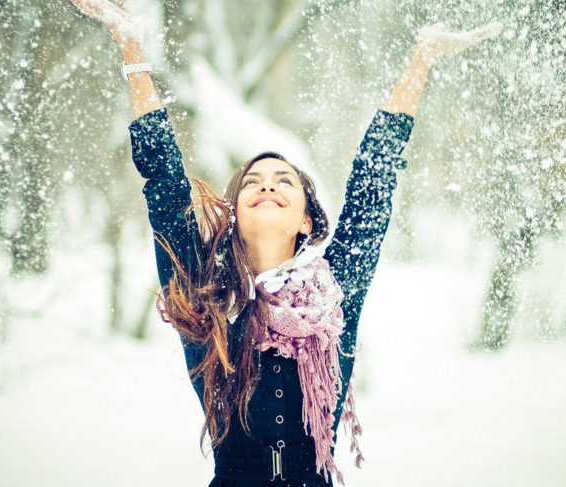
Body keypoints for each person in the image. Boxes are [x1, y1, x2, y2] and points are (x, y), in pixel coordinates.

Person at [68, 1, 502, 485]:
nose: (268, 186)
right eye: (253, 182)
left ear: (305, 219)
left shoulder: (336, 293)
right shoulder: (206, 295)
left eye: (284, 181)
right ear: (234, 213)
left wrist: (420, 60)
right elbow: (165, 185)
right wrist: (131, 43)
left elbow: (373, 180)